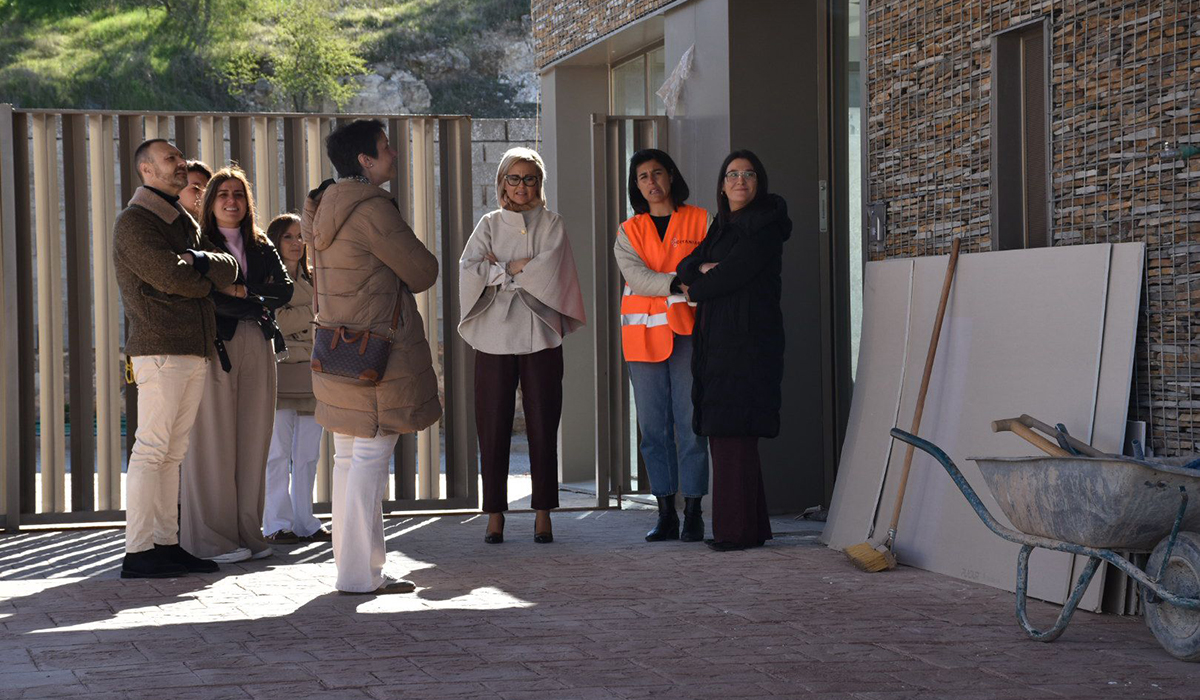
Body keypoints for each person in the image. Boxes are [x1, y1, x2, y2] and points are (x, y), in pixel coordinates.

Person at [302, 119, 442, 594]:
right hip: (377, 353)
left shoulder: (321, 208)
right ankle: (360, 576)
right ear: (364, 160)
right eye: (386, 148)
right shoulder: (372, 211)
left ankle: (359, 569)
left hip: (338, 347)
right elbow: (423, 271)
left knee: (348, 459)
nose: (394, 155)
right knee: (368, 459)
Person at [112, 139, 240, 578]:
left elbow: (230, 266)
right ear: (146, 169)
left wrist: (199, 263)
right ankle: (138, 552)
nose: (181, 163)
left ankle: (165, 543)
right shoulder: (135, 222)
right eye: (171, 159)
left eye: (180, 157)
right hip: (161, 348)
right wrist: (204, 277)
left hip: (190, 347)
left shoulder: (182, 220)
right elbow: (172, 277)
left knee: (173, 453)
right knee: (152, 450)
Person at [459, 147, 586, 545]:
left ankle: (543, 512)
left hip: (540, 330)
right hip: (493, 333)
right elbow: (470, 269)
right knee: (491, 424)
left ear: (539, 183)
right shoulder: (488, 223)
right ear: (501, 182)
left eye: (529, 178)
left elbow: (551, 270)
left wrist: (502, 270)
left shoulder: (553, 224)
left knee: (543, 423)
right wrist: (516, 268)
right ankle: (494, 514)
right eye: (513, 178)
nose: (521, 186)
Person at [675, 150, 792, 551]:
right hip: (719, 338)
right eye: (732, 174)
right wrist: (704, 272)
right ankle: (751, 528)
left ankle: (733, 532)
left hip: (748, 341)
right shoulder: (722, 226)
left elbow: (732, 275)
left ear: (759, 182)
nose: (740, 180)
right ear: (723, 185)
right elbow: (686, 267)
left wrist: (706, 277)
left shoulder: (765, 226)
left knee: (733, 430)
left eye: (748, 174)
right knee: (728, 431)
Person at [180, 166, 294, 564]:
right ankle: (212, 541)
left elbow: (284, 291)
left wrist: (245, 291)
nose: (232, 201)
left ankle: (249, 533)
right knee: (213, 444)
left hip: (259, 343)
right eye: (223, 194)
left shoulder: (262, 246)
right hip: (216, 345)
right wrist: (248, 297)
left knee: (253, 440)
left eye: (239, 194)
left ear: (248, 203)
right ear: (210, 202)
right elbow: (209, 296)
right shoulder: (197, 243)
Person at [614, 149, 710, 543]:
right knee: (654, 430)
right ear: (636, 186)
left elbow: (711, 268)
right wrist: (679, 280)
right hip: (642, 340)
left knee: (690, 427)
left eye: (657, 173)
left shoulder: (700, 220)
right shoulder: (628, 230)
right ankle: (665, 512)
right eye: (642, 177)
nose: (651, 182)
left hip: (689, 334)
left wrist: (672, 277)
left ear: (671, 176)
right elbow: (636, 278)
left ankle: (695, 512)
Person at [262, 213, 331, 544]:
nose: (295, 243)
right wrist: (312, 314)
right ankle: (276, 522)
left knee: (308, 453)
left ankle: (305, 521)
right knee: (276, 452)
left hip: (312, 371)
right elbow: (278, 322)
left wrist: (301, 316)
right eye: (288, 237)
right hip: (279, 370)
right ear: (276, 240)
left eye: (299, 236)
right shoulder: (268, 280)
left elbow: (326, 315)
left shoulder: (315, 278)